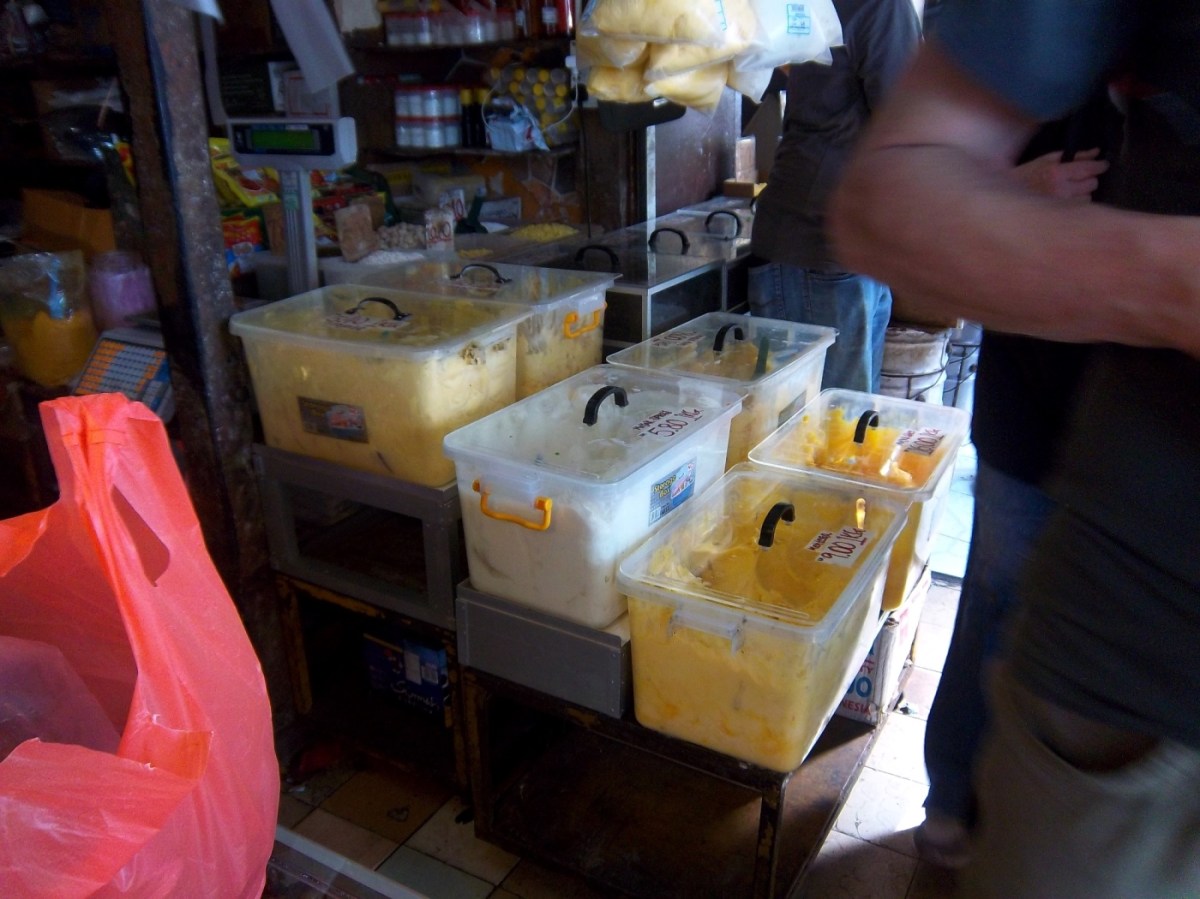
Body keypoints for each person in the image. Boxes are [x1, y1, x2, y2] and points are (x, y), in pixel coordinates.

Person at [829, 2, 1200, 896]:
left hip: (1076, 440)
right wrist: (1172, 282)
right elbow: (891, 206)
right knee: (995, 595)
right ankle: (949, 803)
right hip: (1134, 651)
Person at [915, 97, 1118, 868]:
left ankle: (1021, 820)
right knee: (995, 603)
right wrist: (1012, 188)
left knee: (1090, 637)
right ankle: (950, 797)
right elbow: (927, 228)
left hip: (1142, 433)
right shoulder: (1050, 80)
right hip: (1026, 410)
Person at [745, 0, 920, 393]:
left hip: (832, 241)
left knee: (839, 418)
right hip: (824, 246)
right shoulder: (883, 6)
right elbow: (907, 122)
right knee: (835, 418)